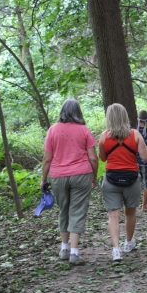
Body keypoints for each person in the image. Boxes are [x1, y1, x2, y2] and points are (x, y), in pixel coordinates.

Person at [41, 99, 98, 264]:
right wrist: (94, 177)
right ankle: (74, 252)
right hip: (81, 175)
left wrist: (44, 179)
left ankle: (64, 248)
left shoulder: (52, 130)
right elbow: (93, 158)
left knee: (63, 210)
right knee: (77, 211)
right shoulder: (84, 130)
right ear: (78, 112)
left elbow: (46, 159)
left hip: (58, 176)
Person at [99, 103, 147, 261]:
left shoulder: (104, 136)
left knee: (113, 216)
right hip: (131, 179)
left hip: (111, 180)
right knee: (131, 213)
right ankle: (128, 242)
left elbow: (103, 158)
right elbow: (146, 156)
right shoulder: (135, 135)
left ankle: (116, 249)